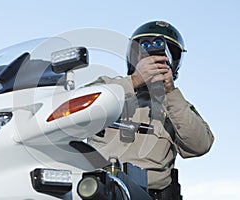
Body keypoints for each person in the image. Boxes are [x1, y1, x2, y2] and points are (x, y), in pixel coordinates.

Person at [88, 20, 214, 200]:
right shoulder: (108, 87)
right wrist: (134, 81)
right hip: (97, 190)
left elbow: (200, 145)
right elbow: (73, 110)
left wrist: (170, 93)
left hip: (149, 195)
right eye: (144, 53)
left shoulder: (177, 106)